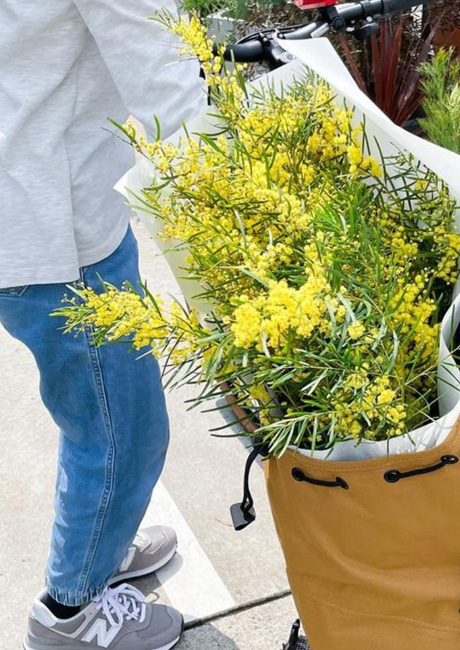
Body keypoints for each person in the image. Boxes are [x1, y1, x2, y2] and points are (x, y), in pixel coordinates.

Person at [0, 2, 205, 649]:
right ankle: (72, 612)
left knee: (97, 419)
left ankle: (101, 547)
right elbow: (167, 75)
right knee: (122, 432)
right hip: (54, 232)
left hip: (42, 207)